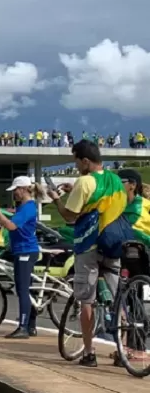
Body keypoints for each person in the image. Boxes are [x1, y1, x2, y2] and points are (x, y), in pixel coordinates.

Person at [46, 140, 132, 367]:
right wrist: (73, 190)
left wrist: (56, 199)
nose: (75, 166)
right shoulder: (115, 180)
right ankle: (121, 352)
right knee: (117, 297)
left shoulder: (84, 182)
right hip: (113, 243)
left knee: (87, 299)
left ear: (85, 161)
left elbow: (69, 215)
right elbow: (104, 204)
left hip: (89, 245)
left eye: (76, 162)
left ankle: (89, 353)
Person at [0, 176, 43, 339]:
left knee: (22, 290)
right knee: (26, 289)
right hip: (22, 250)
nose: (14, 194)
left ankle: (23, 327)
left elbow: (11, 226)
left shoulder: (28, 207)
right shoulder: (23, 207)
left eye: (15, 190)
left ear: (23, 189)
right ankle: (31, 325)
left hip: (25, 251)